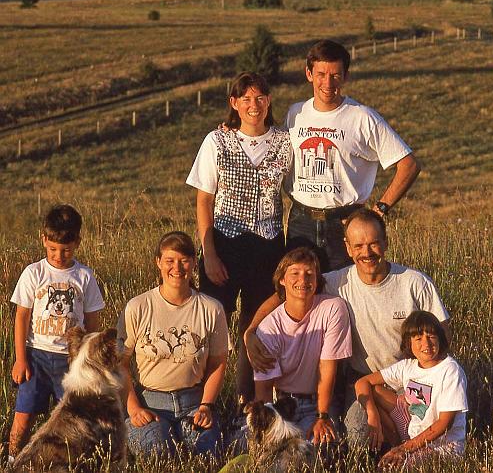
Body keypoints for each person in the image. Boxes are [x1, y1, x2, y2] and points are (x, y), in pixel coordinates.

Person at [245, 208, 450, 447]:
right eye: (359, 246)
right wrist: (251, 331)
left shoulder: (414, 283)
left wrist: (435, 382)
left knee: (432, 439)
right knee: (357, 436)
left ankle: (404, 445)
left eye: (374, 244)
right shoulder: (336, 282)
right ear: (348, 248)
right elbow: (287, 294)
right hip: (363, 382)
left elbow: (443, 337)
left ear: (386, 242)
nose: (367, 253)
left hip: (412, 381)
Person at [186, 71, 292, 403]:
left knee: (257, 326)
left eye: (259, 98)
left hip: (268, 245)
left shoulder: (286, 142)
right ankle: (205, 403)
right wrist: (210, 253)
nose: (253, 105)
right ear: (234, 103)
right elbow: (204, 200)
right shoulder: (216, 141)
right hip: (225, 244)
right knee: (213, 325)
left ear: (269, 101)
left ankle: (251, 403)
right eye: (245, 99)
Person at [283, 39, 421, 273]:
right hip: (300, 222)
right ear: (309, 74)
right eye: (321, 74)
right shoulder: (295, 113)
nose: (328, 83)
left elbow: (409, 165)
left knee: (346, 295)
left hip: (345, 224)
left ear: (345, 77)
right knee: (301, 295)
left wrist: (379, 211)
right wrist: (231, 126)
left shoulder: (363, 117)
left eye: (335, 75)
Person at [7, 204, 105, 464]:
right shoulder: (33, 273)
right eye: (52, 249)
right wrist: (20, 358)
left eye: (66, 250)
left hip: (70, 360)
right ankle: (12, 459)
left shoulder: (85, 276)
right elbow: (21, 317)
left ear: (78, 243)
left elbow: (93, 323)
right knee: (24, 412)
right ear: (43, 239)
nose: (59, 256)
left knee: (72, 416)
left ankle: (69, 461)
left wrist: (88, 361)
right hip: (36, 356)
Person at [118, 231, 230, 456]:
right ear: (158, 262)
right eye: (169, 261)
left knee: (208, 453)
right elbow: (119, 363)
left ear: (193, 264)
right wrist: (133, 407)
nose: (177, 268)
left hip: (194, 402)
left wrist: (206, 406)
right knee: (159, 454)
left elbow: (218, 363)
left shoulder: (211, 309)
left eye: (184, 261)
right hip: (150, 403)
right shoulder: (138, 307)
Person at [253, 247, 351, 444]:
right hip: (283, 404)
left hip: (318, 402)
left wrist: (322, 416)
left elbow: (327, 367)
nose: (303, 281)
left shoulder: (333, 308)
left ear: (317, 279)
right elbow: (263, 388)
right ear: (282, 280)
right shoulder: (269, 328)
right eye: (295, 273)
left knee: (319, 446)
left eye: (309, 274)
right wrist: (267, 430)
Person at [354, 311, 468, 467]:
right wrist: (372, 415)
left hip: (442, 447)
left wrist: (405, 449)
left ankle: (397, 453)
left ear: (440, 339)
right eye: (419, 339)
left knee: (393, 467)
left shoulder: (450, 370)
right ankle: (393, 446)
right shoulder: (408, 366)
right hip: (412, 432)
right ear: (409, 343)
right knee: (374, 392)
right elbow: (362, 382)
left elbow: (444, 424)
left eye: (431, 337)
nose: (426, 344)